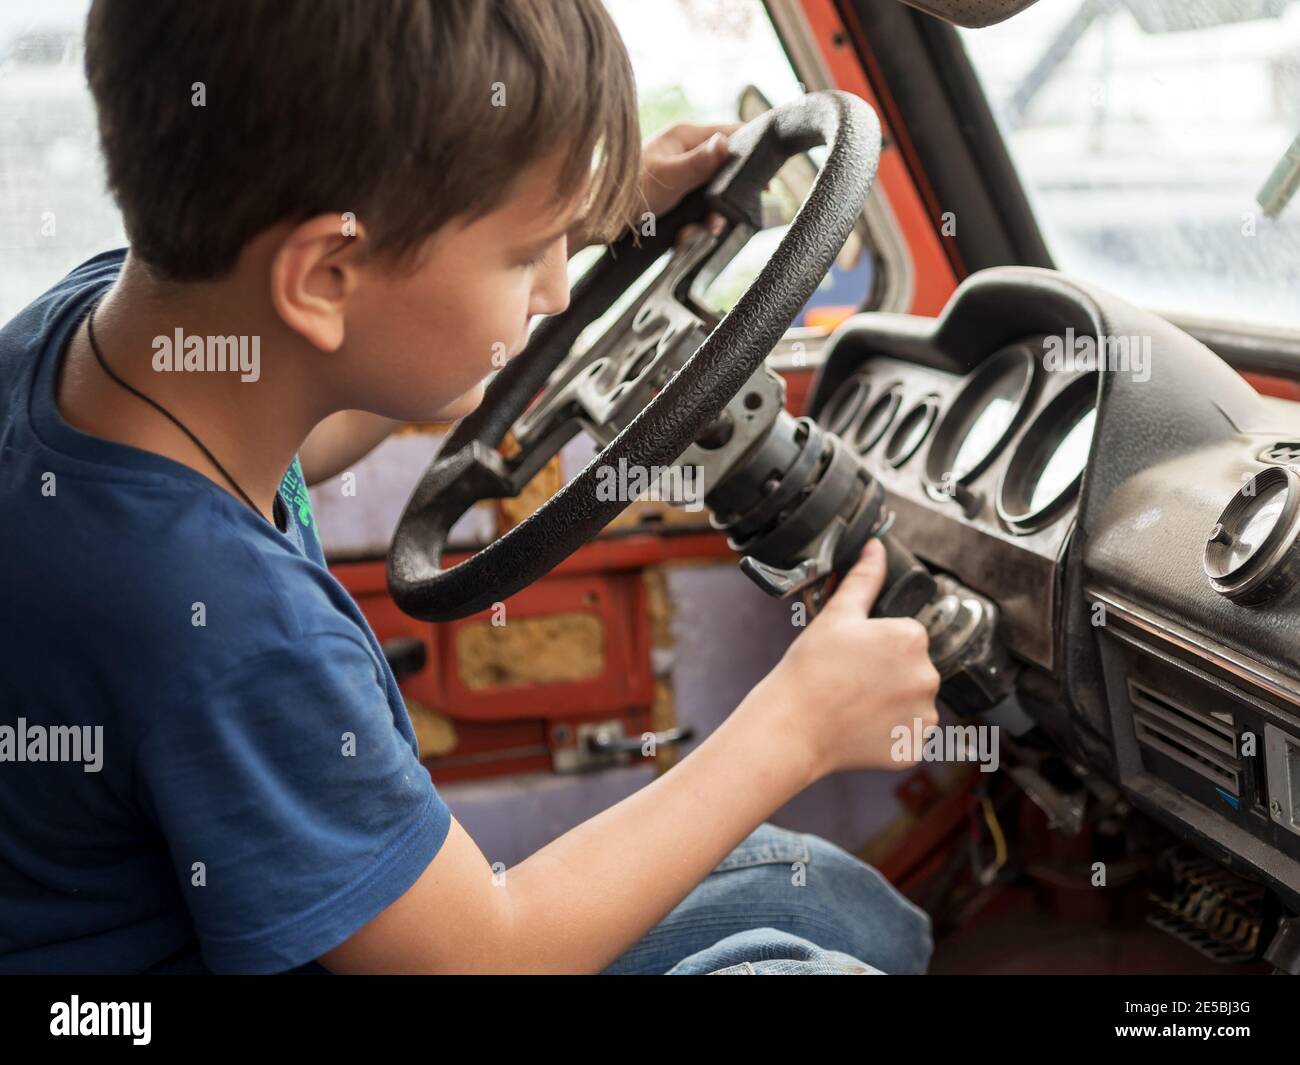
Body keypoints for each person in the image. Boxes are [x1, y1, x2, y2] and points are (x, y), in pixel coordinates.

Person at [0, 0, 940, 975]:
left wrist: (569, 228)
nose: (554, 294)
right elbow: (479, 958)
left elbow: (298, 443)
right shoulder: (229, 633)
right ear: (324, 276)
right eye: (525, 256)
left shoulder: (99, 349)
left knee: (807, 887)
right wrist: (798, 726)